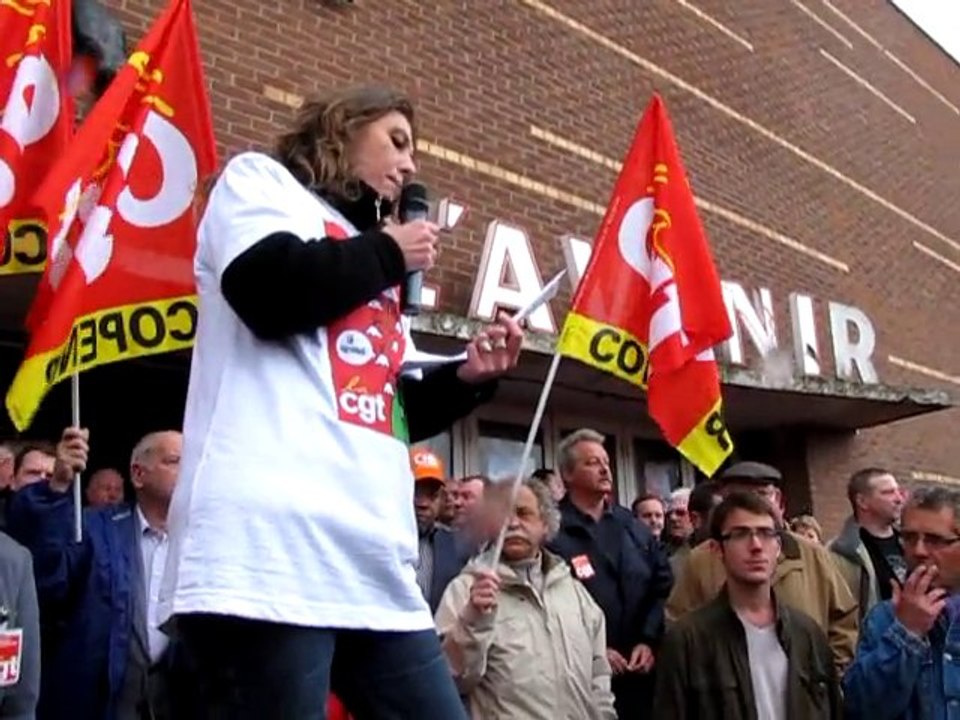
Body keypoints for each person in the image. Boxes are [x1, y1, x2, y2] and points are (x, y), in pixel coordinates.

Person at [157, 85, 523, 719]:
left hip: (373, 562)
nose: (409, 165)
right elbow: (266, 292)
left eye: (413, 152)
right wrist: (390, 251)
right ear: (341, 129)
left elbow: (382, 410)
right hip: (271, 553)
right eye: (396, 141)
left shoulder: (370, 257)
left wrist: (467, 376)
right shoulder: (260, 184)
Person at [8, 427, 196, 720]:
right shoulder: (96, 529)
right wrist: (56, 488)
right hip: (100, 704)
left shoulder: (206, 542)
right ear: (138, 474)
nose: (188, 471)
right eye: (174, 461)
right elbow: (47, 580)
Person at [435, 477, 616, 719]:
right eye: (503, 515)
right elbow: (449, 680)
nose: (512, 523)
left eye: (523, 513)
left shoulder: (574, 592)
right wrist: (473, 621)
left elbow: (599, 671)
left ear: (545, 524)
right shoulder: (466, 589)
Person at [655, 492, 841, 719]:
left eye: (765, 533)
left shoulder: (807, 635)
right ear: (717, 549)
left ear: (778, 547)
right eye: (741, 534)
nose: (756, 546)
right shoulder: (687, 641)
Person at [666, 461, 857, 673]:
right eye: (739, 497)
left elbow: (844, 622)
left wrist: (827, 676)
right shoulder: (701, 560)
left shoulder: (812, 555)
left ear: (779, 502)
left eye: (761, 494)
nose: (752, 504)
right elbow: (678, 627)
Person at [548, 428, 673, 718]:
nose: (605, 469)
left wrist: (648, 639)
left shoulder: (631, 526)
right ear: (567, 474)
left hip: (640, 673)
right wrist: (594, 649)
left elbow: (661, 585)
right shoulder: (552, 531)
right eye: (592, 463)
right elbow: (548, 603)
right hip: (581, 676)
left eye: (606, 461)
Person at [843, 485, 960, 719]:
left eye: (935, 540)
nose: (918, 551)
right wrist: (907, 632)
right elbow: (861, 707)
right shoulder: (885, 617)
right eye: (909, 538)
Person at [829, 468, 904, 622]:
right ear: (862, 502)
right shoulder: (838, 553)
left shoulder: (911, 542)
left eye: (898, 491)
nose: (899, 499)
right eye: (888, 492)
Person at [410, 448, 467, 612]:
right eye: (415, 492)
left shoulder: (456, 546)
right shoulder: (378, 540)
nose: (423, 503)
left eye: (432, 495)